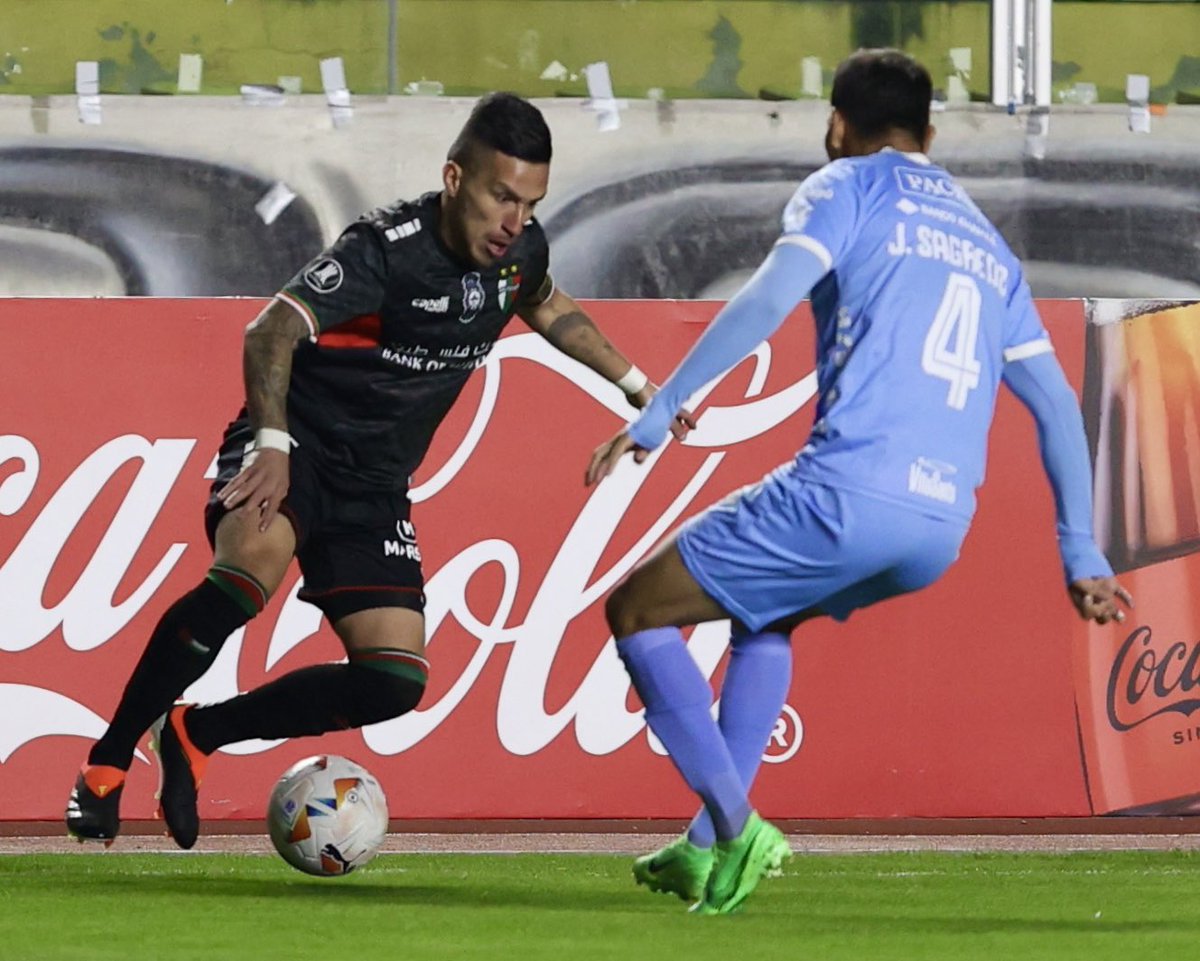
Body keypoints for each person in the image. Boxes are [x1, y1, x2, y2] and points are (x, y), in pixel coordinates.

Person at [585, 49, 1134, 916]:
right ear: (933, 132)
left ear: (837, 125)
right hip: (940, 526)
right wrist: (1079, 549)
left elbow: (767, 300)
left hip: (846, 494)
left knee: (634, 611)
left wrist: (663, 410)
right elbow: (1058, 405)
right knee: (766, 612)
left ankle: (735, 828)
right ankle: (701, 852)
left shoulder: (846, 189)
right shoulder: (987, 245)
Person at [65, 91, 693, 849]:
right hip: (295, 447)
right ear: (455, 177)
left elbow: (550, 305)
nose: (514, 221)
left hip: (374, 485)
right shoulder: (386, 248)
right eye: (501, 196)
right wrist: (270, 440)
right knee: (246, 575)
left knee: (394, 679)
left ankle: (198, 733)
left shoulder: (520, 253)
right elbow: (272, 328)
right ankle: (106, 762)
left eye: (530, 202)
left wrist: (639, 387)